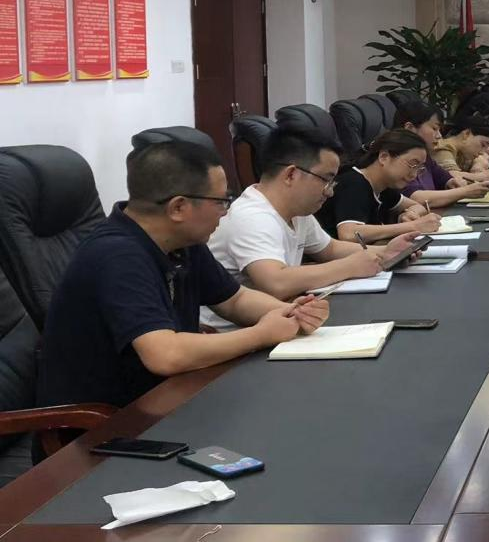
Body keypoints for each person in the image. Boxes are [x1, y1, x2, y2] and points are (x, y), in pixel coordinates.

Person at [37, 141, 330, 413]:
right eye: (221, 202)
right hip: (106, 426)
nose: (225, 213)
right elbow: (165, 354)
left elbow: (234, 300)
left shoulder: (181, 241)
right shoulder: (116, 255)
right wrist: (260, 334)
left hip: (170, 397)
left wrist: (291, 312)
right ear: (178, 207)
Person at [203, 127, 426, 327]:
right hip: (232, 333)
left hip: (283, 317)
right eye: (326, 180)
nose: (330, 191)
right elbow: (276, 282)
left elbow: (330, 248)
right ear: (291, 174)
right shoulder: (252, 216)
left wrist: (387, 252)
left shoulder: (297, 211)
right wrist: (349, 267)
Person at [316, 129, 443, 242]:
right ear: (384, 157)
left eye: (419, 168)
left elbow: (417, 206)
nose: (414, 175)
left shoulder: (383, 185)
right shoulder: (353, 183)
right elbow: (349, 234)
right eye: (412, 164)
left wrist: (408, 215)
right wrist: (412, 226)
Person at [393, 100, 489, 207]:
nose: (439, 136)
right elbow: (415, 198)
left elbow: (444, 178)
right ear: (410, 128)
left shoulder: (425, 156)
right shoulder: (396, 157)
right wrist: (464, 192)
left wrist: (453, 182)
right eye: (434, 128)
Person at [432, 116, 489, 180]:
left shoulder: (463, 151)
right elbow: (452, 176)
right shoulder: (443, 149)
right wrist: (483, 176)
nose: (481, 152)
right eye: (483, 145)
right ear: (466, 134)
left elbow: (482, 159)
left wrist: (478, 164)